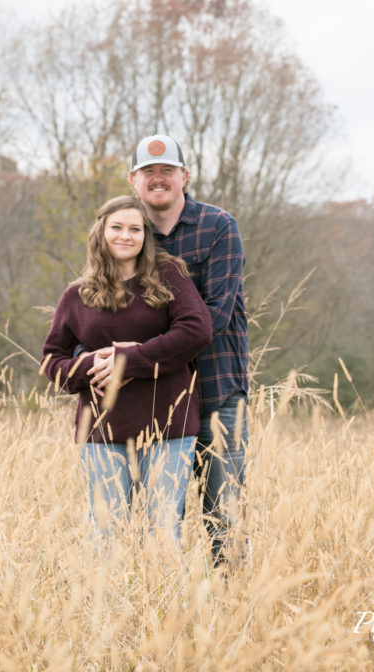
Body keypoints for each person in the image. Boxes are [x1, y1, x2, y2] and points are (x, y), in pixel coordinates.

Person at [93, 134, 249, 566]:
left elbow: (215, 316)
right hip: (155, 397)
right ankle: (163, 612)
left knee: (225, 512)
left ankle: (234, 608)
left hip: (217, 389)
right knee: (160, 519)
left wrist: (137, 353)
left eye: (166, 171)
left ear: (185, 176)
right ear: (133, 179)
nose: (157, 179)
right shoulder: (127, 231)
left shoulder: (218, 227)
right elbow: (105, 305)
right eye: (148, 172)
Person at [41, 195, 212, 543]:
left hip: (167, 424)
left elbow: (197, 330)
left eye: (135, 229)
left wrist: (127, 362)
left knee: (163, 533)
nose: (126, 235)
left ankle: (164, 599)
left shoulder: (169, 277)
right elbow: (51, 359)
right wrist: (90, 364)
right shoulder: (77, 295)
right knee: (103, 534)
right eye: (117, 227)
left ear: (146, 237)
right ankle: (104, 600)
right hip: (103, 430)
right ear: (101, 233)